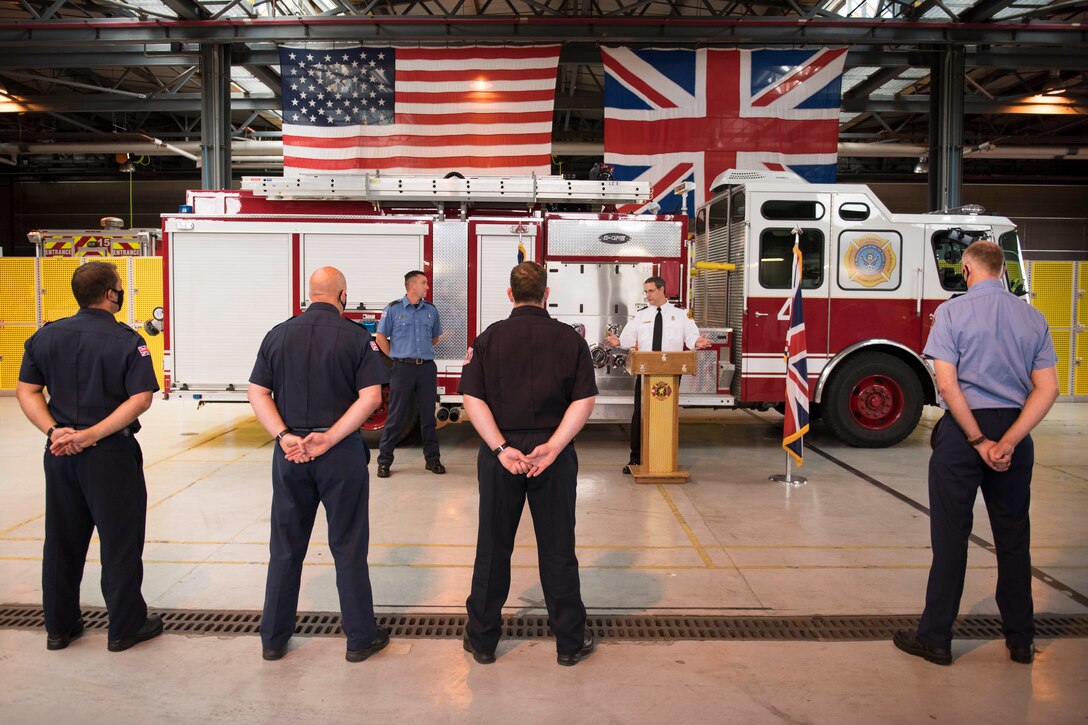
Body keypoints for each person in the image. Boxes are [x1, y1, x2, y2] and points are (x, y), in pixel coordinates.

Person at [894, 240, 1059, 666]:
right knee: (1013, 539)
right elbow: (1048, 389)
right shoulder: (1033, 317)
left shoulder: (951, 312)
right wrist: (1008, 441)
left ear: (966, 271)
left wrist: (979, 441)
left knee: (951, 538)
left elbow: (947, 386)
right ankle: (1021, 640)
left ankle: (935, 639)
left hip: (963, 435)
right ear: (1002, 271)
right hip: (1015, 433)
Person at [16, 261, 163, 653]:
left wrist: (55, 432)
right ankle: (124, 628)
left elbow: (27, 391)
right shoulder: (126, 340)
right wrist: (93, 435)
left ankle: (59, 628)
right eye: (118, 288)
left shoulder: (45, 336)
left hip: (59, 454)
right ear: (111, 294)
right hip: (110, 455)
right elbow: (141, 398)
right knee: (120, 540)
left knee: (62, 541)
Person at [459, 261, 599, 666]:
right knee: (558, 549)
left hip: (501, 456)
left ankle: (483, 641)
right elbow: (583, 400)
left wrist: (502, 449)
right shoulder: (570, 341)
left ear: (510, 294)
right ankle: (570, 642)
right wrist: (553, 447)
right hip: (551, 456)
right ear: (546, 294)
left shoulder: (487, 340)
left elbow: (473, 399)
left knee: (493, 547)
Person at [248, 266, 389, 663]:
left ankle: (273, 640)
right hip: (339, 454)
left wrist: (282, 435)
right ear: (343, 295)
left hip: (291, 453)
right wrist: (328, 437)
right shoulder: (356, 338)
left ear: (309, 294)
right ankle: (360, 639)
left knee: (286, 548)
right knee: (347, 546)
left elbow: (257, 392)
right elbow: (371, 397)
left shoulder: (278, 334)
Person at [605, 276, 711, 474]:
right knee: (640, 414)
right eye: (645, 292)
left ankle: (664, 457)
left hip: (670, 373)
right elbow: (628, 338)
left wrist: (697, 342)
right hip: (645, 373)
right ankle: (635, 459)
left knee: (666, 413)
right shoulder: (640, 315)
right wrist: (618, 341)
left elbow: (690, 336)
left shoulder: (681, 315)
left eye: (651, 291)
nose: (647, 296)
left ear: (662, 290)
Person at [374, 270, 445, 478]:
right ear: (412, 285)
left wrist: (419, 354)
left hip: (426, 368)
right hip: (402, 369)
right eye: (424, 283)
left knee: (428, 417)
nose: (427, 287)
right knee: (396, 416)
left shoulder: (431, 310)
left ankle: (432, 460)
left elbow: (435, 338)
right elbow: (380, 337)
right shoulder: (394, 309)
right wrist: (397, 356)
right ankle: (384, 461)